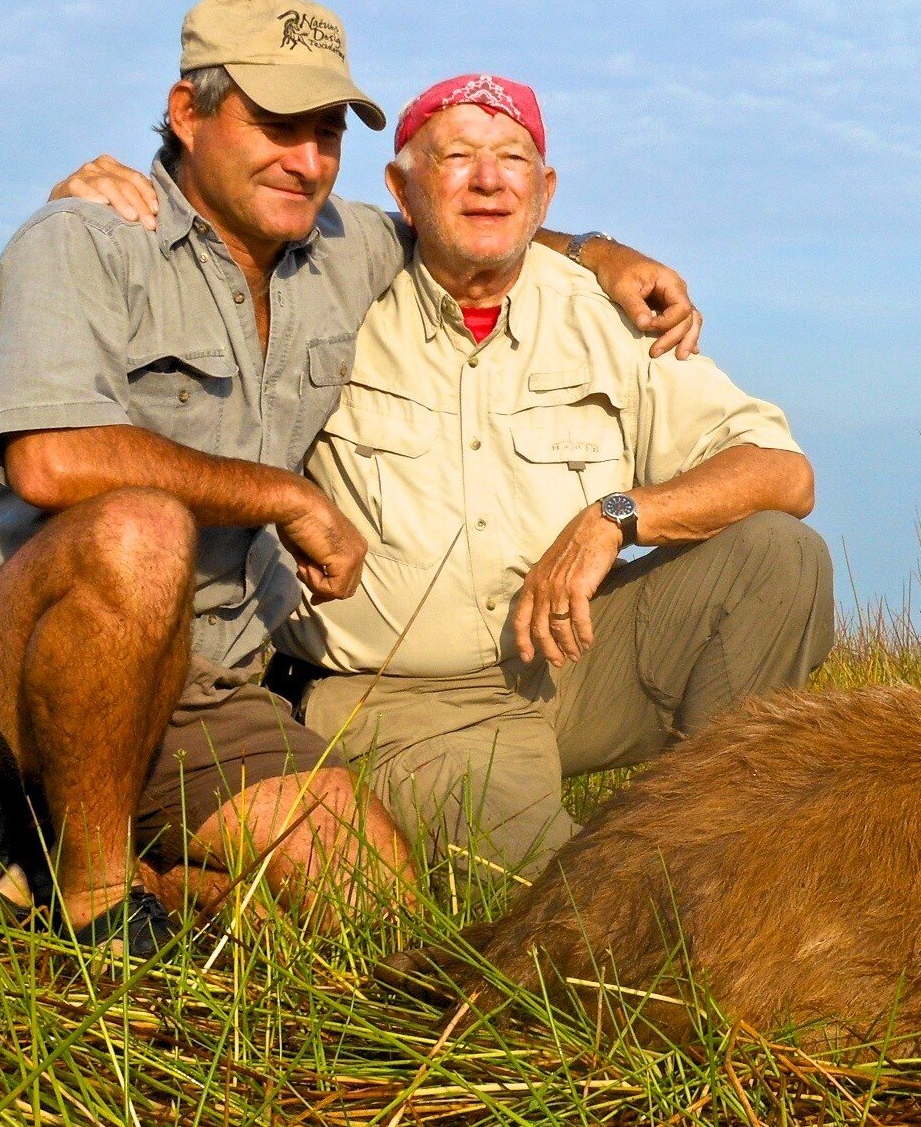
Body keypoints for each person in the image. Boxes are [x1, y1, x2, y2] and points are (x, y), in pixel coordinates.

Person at [0, 0, 698, 954]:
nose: (306, 162)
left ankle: (109, 864)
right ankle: (90, 906)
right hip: (6, 641)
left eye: (326, 133)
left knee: (375, 906)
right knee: (140, 531)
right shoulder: (85, 240)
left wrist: (599, 251)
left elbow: (465, 223)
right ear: (187, 115)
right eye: (275, 125)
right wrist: (284, 497)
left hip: (199, 680)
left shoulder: (338, 247)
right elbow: (52, 461)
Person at [271, 73, 832, 878]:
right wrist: (105, 201)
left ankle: (718, 846)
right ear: (400, 188)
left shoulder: (606, 311)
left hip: (564, 666)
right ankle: (629, 889)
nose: (490, 178)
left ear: (546, 190)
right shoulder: (329, 289)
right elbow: (219, 228)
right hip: (403, 701)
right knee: (561, 917)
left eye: (513, 158)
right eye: (457, 156)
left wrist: (615, 515)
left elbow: (782, 473)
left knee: (779, 557)